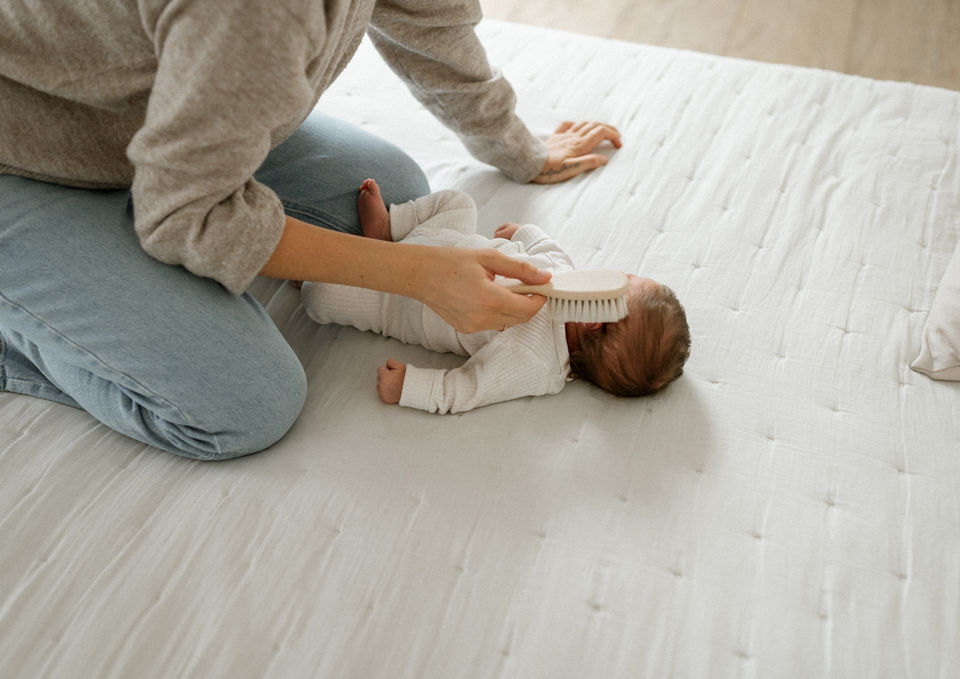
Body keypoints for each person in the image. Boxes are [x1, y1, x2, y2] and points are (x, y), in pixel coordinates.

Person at [0, 1, 622, 458]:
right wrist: (414, 275)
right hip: (21, 153)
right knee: (244, 404)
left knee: (393, 190)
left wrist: (518, 149)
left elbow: (432, 22)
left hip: (151, 121)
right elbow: (188, 214)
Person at [300, 179, 691, 413]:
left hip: (399, 301)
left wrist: (412, 389)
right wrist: (524, 232)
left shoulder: (535, 363)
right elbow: (548, 251)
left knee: (321, 295)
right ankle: (388, 233)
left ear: (596, 316)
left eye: (623, 279)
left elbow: (471, 388)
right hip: (443, 240)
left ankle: (304, 273)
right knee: (459, 202)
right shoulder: (569, 278)